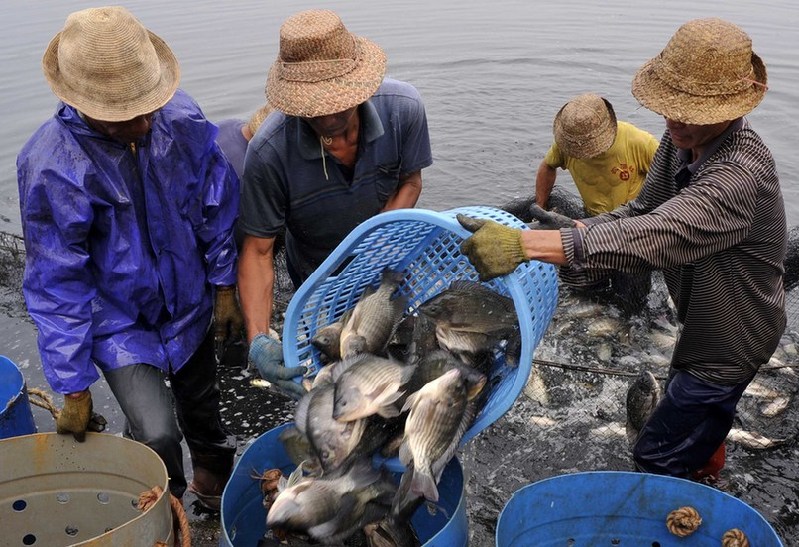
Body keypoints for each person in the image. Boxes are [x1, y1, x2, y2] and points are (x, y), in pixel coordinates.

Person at [457, 18, 786, 481]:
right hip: (701, 314)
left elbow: (659, 233)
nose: (675, 122)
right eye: (671, 108)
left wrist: (525, 244)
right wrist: (578, 226)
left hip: (733, 335)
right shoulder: (681, 142)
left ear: (730, 109)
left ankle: (682, 502)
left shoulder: (740, 176)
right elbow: (640, 211)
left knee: (656, 454)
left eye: (692, 112)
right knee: (697, 420)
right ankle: (711, 475)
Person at [16, 6, 243, 510]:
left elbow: (215, 204)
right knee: (157, 431)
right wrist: (73, 386)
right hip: (116, 320)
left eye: (148, 107)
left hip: (189, 301)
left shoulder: (180, 120)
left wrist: (224, 285)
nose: (144, 121)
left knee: (204, 407)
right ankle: (166, 509)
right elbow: (57, 281)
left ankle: (212, 485)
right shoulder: (53, 164)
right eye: (127, 115)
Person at [238, 9, 432, 398]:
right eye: (314, 106)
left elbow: (411, 181)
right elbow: (258, 252)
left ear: (360, 87)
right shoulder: (268, 152)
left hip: (390, 258)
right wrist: (258, 337)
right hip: (319, 277)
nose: (328, 116)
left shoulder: (403, 109)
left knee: (408, 365)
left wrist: (374, 246)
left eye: (339, 101)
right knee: (338, 372)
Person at [534, 93, 659, 217]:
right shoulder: (567, 145)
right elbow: (548, 166)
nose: (583, 150)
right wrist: (541, 206)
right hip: (592, 217)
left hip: (633, 218)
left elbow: (671, 176)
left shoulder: (639, 142)